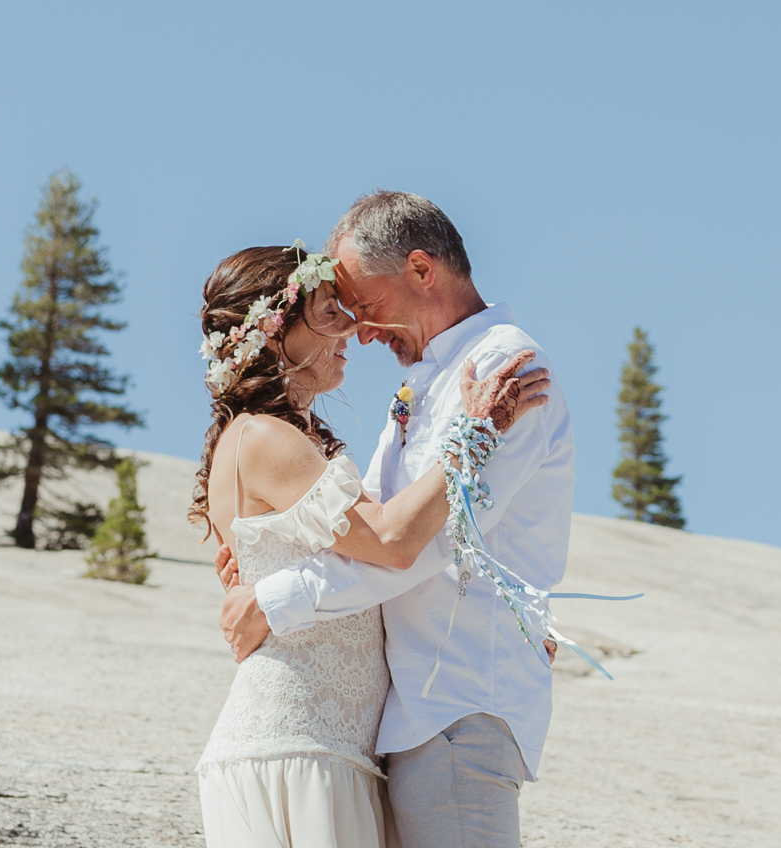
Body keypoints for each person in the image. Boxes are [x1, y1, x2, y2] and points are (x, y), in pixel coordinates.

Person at [220, 192, 574, 848]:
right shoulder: (426, 381)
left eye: (364, 303)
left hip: (458, 703)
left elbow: (421, 540)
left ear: (420, 271)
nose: (358, 327)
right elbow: (380, 529)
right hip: (412, 712)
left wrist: (276, 597)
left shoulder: (504, 367)